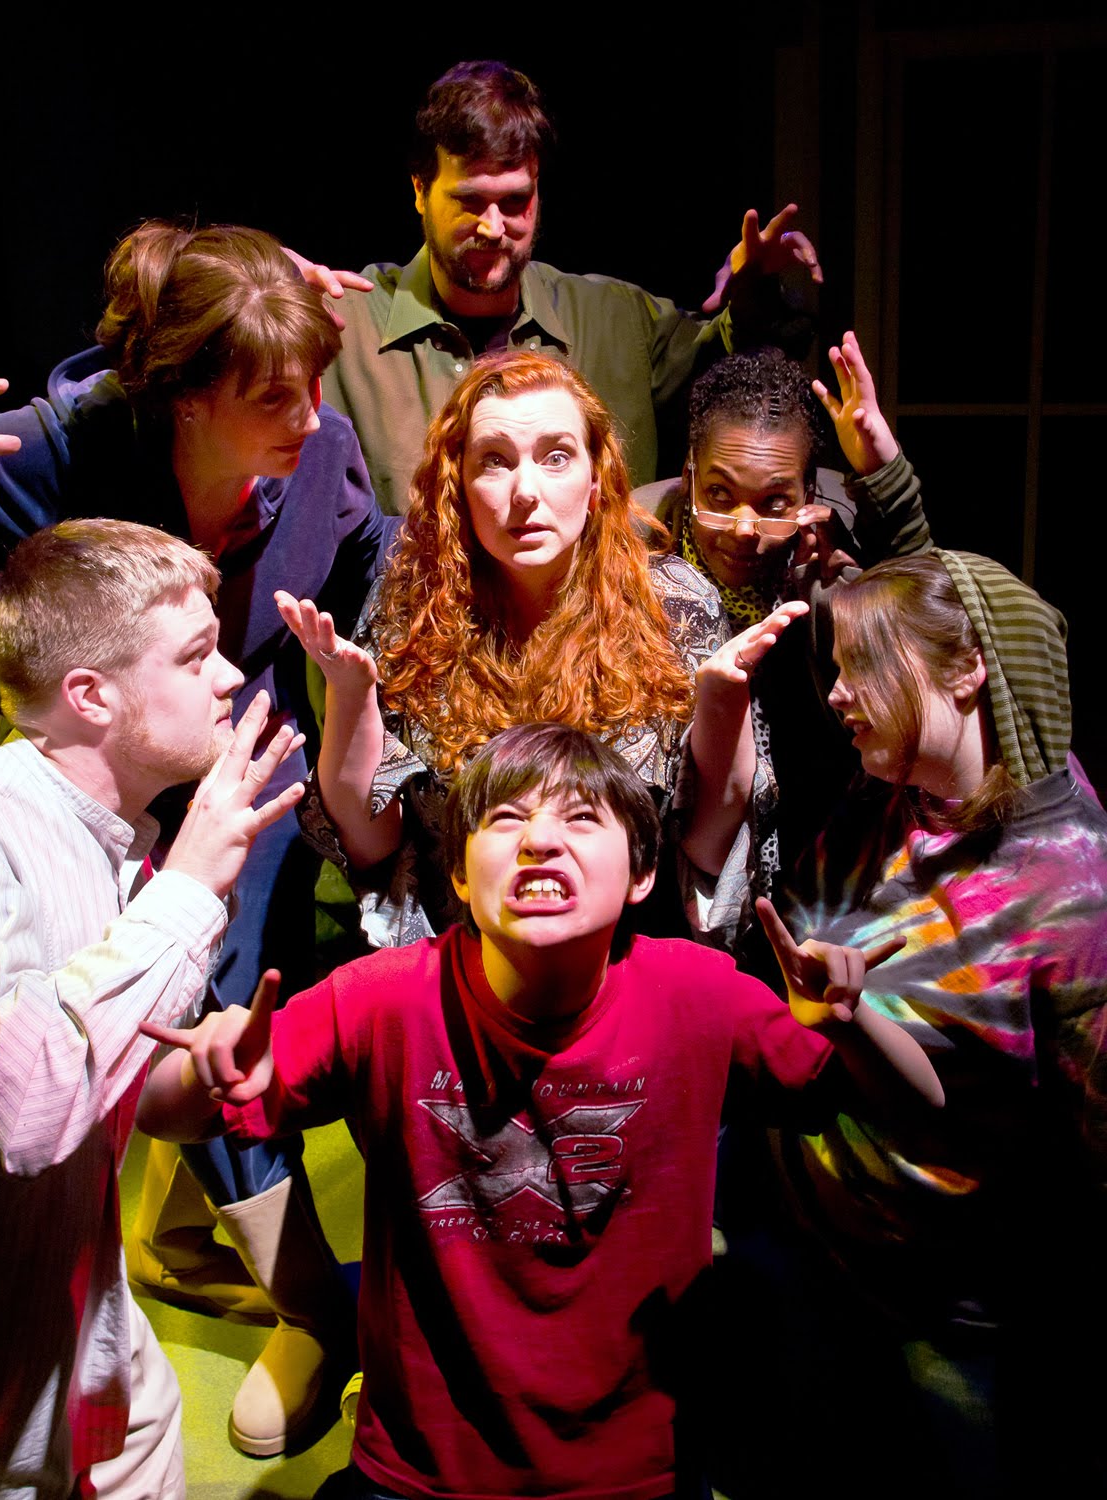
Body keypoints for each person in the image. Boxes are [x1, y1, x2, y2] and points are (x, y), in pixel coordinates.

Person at [134, 722, 941, 1500]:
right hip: (422, 1460)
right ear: (458, 875)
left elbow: (922, 1113)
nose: (540, 840)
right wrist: (206, 1073)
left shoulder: (698, 995)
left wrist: (851, 1024)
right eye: (506, 819)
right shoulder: (382, 1001)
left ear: (641, 875)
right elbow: (161, 1117)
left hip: (641, 1458)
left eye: (581, 818)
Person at [0, 220, 396, 1455]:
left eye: (315, 381)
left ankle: (263, 1273)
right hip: (93, 770)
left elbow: (368, 550)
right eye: (272, 393)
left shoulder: (325, 454)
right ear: (186, 398)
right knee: (126, 993)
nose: (310, 414)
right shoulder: (60, 448)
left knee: (226, 1000)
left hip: (237, 745)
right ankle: (308, 1300)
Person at [0, 519, 305, 1500]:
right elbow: (19, 1117)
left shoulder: (122, 845)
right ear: (91, 696)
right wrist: (192, 892)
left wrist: (201, 1076)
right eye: (196, 656)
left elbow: (119, 1096)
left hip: (100, 1354)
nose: (230, 678)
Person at [713, 551, 1107, 1500]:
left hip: (941, 1309)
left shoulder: (1070, 893)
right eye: (837, 667)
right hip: (808, 1248)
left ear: (969, 671)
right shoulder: (894, 793)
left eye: (861, 666)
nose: (836, 693)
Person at [281, 349, 810, 955]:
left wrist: (723, 702)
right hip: (461, 961)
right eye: (495, 461)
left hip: (622, 962)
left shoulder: (674, 606)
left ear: (595, 477)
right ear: (458, 484)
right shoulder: (409, 609)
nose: (526, 492)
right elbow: (372, 847)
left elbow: (708, 850)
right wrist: (352, 700)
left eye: (556, 457)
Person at [318, 59, 824, 515]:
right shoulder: (343, 327)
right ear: (420, 190)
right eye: (470, 201)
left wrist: (756, 291)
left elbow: (747, 371)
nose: (493, 227)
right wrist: (270, 287)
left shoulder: (617, 321)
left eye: (514, 202)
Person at [636, 334, 932, 877]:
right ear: (690, 475)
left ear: (809, 496)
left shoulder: (833, 559)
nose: (744, 529)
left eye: (774, 502)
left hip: (815, 861)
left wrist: (883, 479)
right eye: (719, 495)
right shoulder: (633, 552)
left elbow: (933, 635)